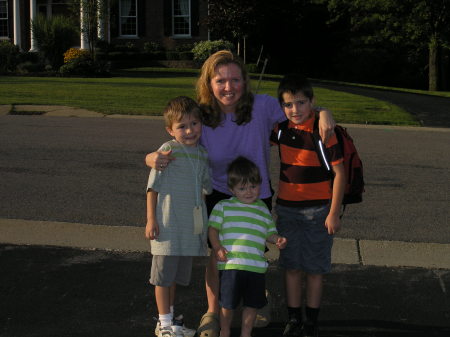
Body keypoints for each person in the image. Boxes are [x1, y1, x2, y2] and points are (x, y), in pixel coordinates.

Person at [145, 50, 336, 337]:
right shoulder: (200, 115)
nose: (229, 87)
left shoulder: (262, 105)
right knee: (218, 255)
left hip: (255, 192)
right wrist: (151, 157)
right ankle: (212, 310)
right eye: (220, 80)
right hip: (218, 192)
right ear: (208, 83)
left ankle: (256, 302)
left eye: (235, 79)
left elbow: (298, 109)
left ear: (244, 82)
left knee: (252, 249)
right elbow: (176, 141)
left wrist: (324, 114)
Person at [270, 74, 345, 337]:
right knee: (291, 267)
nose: (295, 110)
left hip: (319, 212)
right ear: (282, 107)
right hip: (287, 211)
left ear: (312, 102)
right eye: (288, 104)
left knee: (314, 270)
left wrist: (334, 213)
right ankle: (294, 318)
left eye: (301, 103)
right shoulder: (280, 130)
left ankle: (311, 322)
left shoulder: (323, 131)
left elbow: (340, 174)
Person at [145, 96, 212, 337]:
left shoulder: (202, 154)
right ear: (170, 130)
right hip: (167, 226)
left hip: (188, 227)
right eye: (182, 126)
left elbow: (206, 188)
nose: (189, 130)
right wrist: (151, 220)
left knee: (173, 277)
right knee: (162, 277)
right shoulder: (167, 150)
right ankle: (163, 324)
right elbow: (152, 188)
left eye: (194, 124)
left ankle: (171, 320)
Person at [208, 156, 287, 337]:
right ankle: (225, 331)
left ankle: (246, 333)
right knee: (227, 304)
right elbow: (213, 229)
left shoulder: (262, 209)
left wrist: (278, 239)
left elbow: (269, 233)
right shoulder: (223, 206)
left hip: (256, 268)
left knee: (252, 305)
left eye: (253, 186)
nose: (249, 191)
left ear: (260, 184)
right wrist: (217, 246)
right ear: (231, 189)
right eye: (242, 188)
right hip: (231, 265)